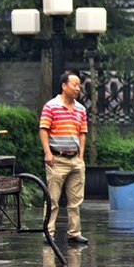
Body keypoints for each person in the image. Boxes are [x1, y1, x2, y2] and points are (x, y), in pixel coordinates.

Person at [40, 71, 89, 244]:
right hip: (57, 159)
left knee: (75, 200)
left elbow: (82, 133)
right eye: (74, 85)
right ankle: (49, 232)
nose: (78, 88)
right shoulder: (51, 106)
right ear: (64, 86)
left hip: (75, 159)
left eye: (79, 85)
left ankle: (74, 233)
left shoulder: (80, 109)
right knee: (52, 198)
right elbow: (44, 129)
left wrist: (81, 155)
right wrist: (47, 152)